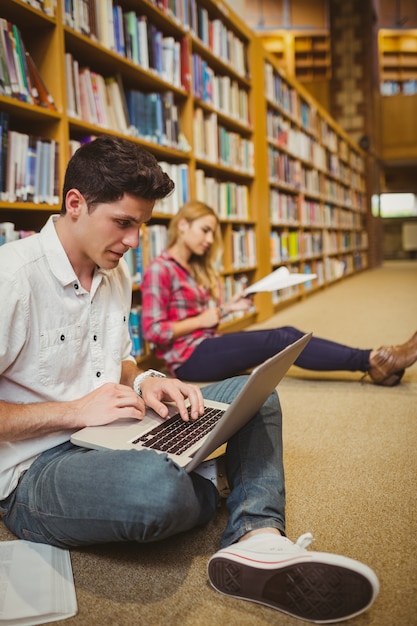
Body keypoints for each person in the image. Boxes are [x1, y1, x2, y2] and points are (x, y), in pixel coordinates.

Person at [0, 135, 379, 624]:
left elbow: (120, 360)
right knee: (154, 493)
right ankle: (211, 473)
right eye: (123, 222)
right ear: (76, 203)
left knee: (255, 393)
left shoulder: (112, 269)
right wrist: (75, 412)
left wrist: (146, 381)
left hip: (113, 427)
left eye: (142, 225)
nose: (135, 240)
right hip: (35, 471)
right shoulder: (13, 279)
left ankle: (256, 535)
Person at [141, 200, 417, 386]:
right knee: (281, 337)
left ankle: (374, 362)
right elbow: (153, 331)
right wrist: (202, 321)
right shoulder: (159, 269)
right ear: (182, 226)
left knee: (285, 336)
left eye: (213, 233)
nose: (210, 240)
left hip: (206, 344)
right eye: (205, 231)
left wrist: (227, 309)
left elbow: (198, 316)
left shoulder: (192, 267)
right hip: (188, 361)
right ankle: (374, 359)